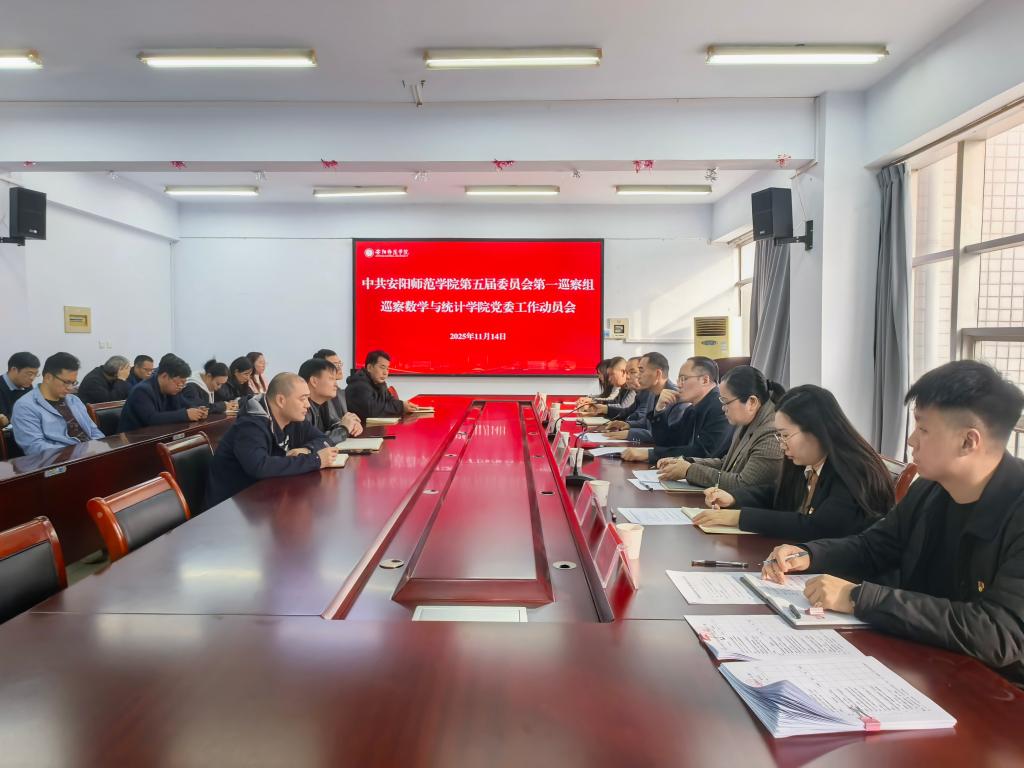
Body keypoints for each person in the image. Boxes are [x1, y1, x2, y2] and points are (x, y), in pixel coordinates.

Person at [762, 361, 1024, 687]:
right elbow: (875, 546)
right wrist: (809, 555)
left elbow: (1000, 633)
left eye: (923, 429)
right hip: (926, 662)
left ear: (969, 441)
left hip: (994, 692)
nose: (911, 440)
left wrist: (859, 598)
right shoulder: (930, 489)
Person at [695, 384, 894, 539]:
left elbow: (817, 527)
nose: (782, 445)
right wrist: (733, 498)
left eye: (785, 435)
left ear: (816, 430)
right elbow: (777, 493)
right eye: (779, 436)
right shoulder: (809, 462)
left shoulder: (854, 471)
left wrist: (739, 517)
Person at [205, 372, 340, 508]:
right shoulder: (250, 425)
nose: (308, 405)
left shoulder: (293, 418)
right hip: (230, 507)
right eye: (302, 399)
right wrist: (316, 460)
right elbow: (260, 466)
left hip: (264, 498)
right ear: (281, 400)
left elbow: (324, 440)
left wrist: (307, 449)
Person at [654, 365, 785, 492]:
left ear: (752, 402)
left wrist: (689, 470)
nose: (723, 408)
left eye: (726, 402)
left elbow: (744, 484)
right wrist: (685, 462)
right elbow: (726, 464)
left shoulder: (771, 434)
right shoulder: (747, 421)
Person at [621, 356, 732, 462]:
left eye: (683, 379)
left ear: (704, 380)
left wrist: (651, 454)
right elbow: (669, 442)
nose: (678, 385)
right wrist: (659, 411)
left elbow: (704, 453)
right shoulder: (692, 409)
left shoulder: (721, 406)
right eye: (678, 379)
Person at [10, 352, 104, 455]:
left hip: (89, 455)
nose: (70, 388)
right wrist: (79, 452)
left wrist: (99, 448)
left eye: (73, 383)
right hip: (60, 460)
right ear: (48, 377)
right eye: (66, 382)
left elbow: (94, 431)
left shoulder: (74, 400)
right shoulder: (25, 406)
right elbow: (35, 447)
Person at [581, 353, 675, 437]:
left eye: (639, 371)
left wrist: (630, 433)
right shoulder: (652, 392)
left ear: (657, 374)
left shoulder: (674, 397)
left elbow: (668, 436)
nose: (628, 377)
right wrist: (628, 425)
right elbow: (645, 422)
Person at [118, 354, 208, 432]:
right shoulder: (141, 390)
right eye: (179, 383)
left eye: (184, 383)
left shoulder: (172, 390)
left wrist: (198, 410)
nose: (181, 386)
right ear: (165, 376)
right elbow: (151, 418)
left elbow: (184, 404)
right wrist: (186, 415)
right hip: (133, 439)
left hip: (159, 434)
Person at [298, 358, 363, 444]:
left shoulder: (323, 403)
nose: (336, 384)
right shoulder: (302, 408)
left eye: (335, 380)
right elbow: (316, 443)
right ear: (314, 381)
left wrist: (351, 424)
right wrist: (344, 429)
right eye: (331, 379)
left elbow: (332, 425)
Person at [345, 350, 420, 421]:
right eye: (382, 367)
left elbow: (389, 400)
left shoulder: (377, 382)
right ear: (369, 367)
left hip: (374, 427)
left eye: (387, 369)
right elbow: (373, 411)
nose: (385, 373)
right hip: (361, 429)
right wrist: (401, 406)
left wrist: (403, 404)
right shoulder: (359, 384)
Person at [0, 352, 39, 429]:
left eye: (36, 374)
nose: (32, 378)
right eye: (29, 374)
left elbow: (31, 412)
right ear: (14, 370)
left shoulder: (27, 385)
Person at [312, 348, 349, 413]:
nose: (339, 367)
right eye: (335, 364)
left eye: (340, 363)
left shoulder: (341, 392)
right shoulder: (321, 395)